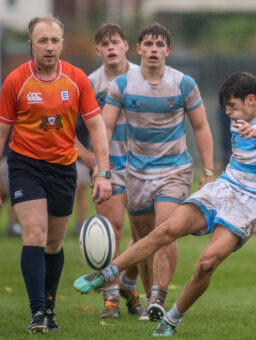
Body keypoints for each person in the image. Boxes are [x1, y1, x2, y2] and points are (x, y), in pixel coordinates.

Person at [74, 71, 256, 336]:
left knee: (206, 264)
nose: (228, 113)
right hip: (224, 188)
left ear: (250, 100)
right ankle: (107, 274)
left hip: (251, 203)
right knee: (166, 229)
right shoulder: (238, 119)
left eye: (232, 106)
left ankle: (172, 318)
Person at [0, 16, 112, 334]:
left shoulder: (77, 79)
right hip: (25, 167)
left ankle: (50, 308)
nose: (49, 46)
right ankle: (38, 312)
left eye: (54, 40)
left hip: (64, 169)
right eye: (42, 41)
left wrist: (103, 172)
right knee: (35, 236)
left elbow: (96, 126)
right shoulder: (16, 80)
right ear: (31, 45)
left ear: (62, 44)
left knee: (53, 243)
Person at [93, 23, 214, 321]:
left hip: (174, 169)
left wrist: (208, 171)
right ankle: (148, 298)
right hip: (136, 172)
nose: (154, 50)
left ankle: (159, 294)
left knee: (166, 230)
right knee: (144, 237)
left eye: (160, 45)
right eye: (149, 44)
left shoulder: (183, 84)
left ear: (168, 51)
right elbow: (104, 127)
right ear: (139, 49)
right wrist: (103, 169)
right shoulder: (122, 85)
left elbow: (200, 126)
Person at [75, 23, 146, 319]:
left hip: (145, 166)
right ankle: (111, 297)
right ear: (98, 51)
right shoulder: (89, 84)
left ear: (126, 46)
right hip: (109, 167)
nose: (110, 48)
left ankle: (129, 285)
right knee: (111, 231)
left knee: (144, 234)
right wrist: (92, 160)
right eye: (104, 44)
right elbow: (66, 130)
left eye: (115, 42)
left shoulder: (146, 77)